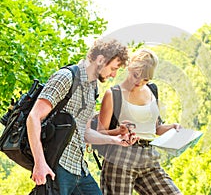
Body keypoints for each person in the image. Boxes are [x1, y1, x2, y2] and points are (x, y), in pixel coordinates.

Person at [26, 38, 135, 195]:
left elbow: (85, 132)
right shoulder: (66, 77)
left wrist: (115, 139)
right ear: (100, 59)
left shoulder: (93, 88)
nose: (113, 74)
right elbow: (34, 117)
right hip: (58, 167)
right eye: (113, 68)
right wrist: (40, 163)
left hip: (79, 169)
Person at [98, 48, 183, 194]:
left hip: (149, 157)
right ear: (129, 66)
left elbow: (156, 128)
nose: (139, 82)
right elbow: (99, 133)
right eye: (136, 76)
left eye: (145, 79)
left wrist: (172, 127)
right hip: (120, 157)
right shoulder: (113, 94)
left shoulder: (152, 90)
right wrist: (119, 131)